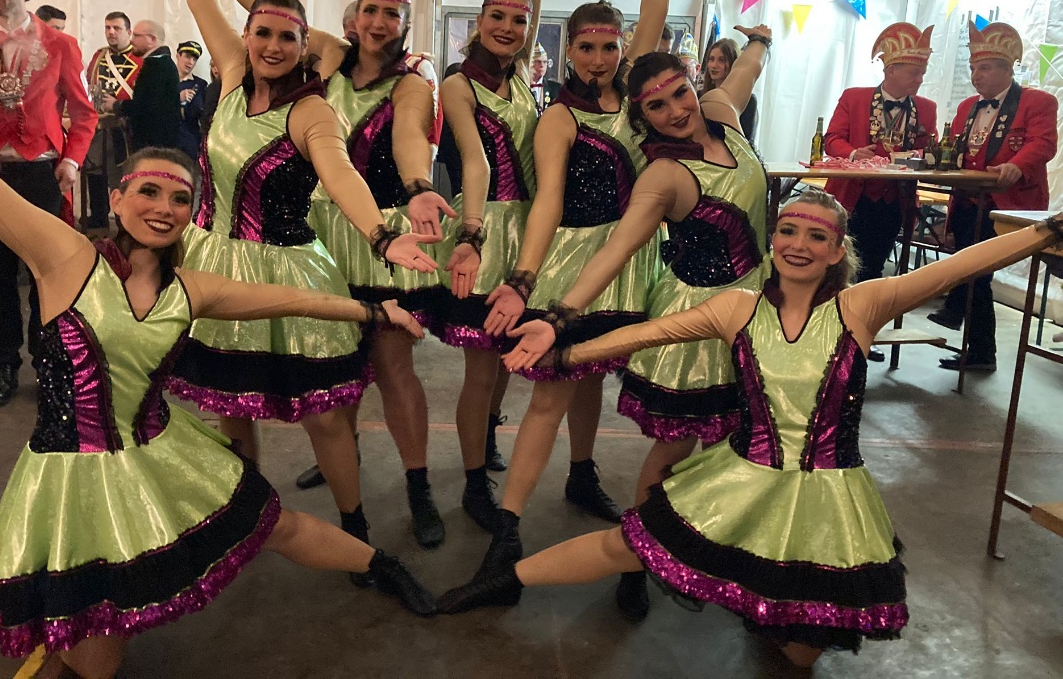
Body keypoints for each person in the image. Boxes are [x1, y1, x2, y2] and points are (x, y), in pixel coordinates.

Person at [0, 103, 437, 677]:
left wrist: (374, 312)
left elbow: (295, 300)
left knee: (276, 524)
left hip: (161, 454)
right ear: (116, 199)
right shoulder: (62, 256)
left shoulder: (190, 288)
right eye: (148, 192)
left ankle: (383, 565)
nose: (164, 208)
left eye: (180, 199)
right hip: (70, 481)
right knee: (97, 659)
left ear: (191, 213)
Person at [440, 188, 1063, 670]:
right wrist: (562, 347)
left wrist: (1047, 230)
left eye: (816, 236)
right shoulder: (737, 309)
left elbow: (956, 268)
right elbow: (646, 334)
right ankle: (502, 580)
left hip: (827, 500)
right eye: (787, 230)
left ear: (837, 251)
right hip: (741, 478)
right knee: (625, 545)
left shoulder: (861, 305)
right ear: (772, 241)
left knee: (801, 655)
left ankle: (766, 612)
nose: (798, 244)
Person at [155, 0, 441, 563]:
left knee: (331, 408)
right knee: (231, 404)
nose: (274, 45)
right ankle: (246, 513)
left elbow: (341, 174)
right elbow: (205, 1)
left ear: (305, 45)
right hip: (217, 262)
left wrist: (387, 230)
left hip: (298, 258)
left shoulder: (320, 106)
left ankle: (366, 522)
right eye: (263, 32)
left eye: (288, 36)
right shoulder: (234, 72)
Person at [503, 28, 772, 619]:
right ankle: (641, 557)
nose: (675, 111)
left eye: (680, 93)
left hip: (759, 308)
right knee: (677, 442)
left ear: (694, 85)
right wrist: (558, 316)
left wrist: (759, 42)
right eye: (656, 106)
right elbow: (616, 250)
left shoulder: (724, 114)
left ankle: (709, 547)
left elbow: (745, 73)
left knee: (738, 441)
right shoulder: (663, 175)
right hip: (697, 317)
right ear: (641, 117)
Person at [465, 0, 672, 579]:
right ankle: (508, 525)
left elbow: (655, 18)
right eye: (586, 47)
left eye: (610, 47)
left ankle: (582, 473)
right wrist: (525, 278)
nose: (600, 58)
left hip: (632, 262)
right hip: (577, 262)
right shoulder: (558, 116)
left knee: (594, 378)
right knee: (552, 391)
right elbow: (548, 203)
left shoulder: (636, 99)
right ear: (567, 49)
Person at [431, 0, 544, 534]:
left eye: (519, 19)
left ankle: (490, 436)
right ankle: (474, 479)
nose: (508, 27)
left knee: (507, 359)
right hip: (488, 221)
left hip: (532, 226)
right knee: (480, 367)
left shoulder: (522, 75)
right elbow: (473, 163)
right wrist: (470, 236)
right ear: (478, 22)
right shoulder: (458, 83)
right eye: (497, 17)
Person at [0, 0, 99, 408]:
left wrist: (72, 160)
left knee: (46, 272)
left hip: (41, 171)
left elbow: (84, 113)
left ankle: (47, 363)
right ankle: (3, 365)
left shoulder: (60, 44)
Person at [928, 21, 1058, 372]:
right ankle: (980, 350)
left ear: (1007, 69)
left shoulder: (1038, 101)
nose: (975, 75)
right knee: (973, 271)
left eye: (984, 68)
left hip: (1007, 203)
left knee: (977, 271)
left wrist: (1017, 165)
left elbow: (1043, 143)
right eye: (973, 68)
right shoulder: (966, 106)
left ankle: (961, 318)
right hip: (969, 201)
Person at [825, 23, 937, 298]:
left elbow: (929, 149)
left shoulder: (926, 108)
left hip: (895, 199)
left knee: (874, 268)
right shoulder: (854, 97)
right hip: (852, 197)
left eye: (923, 73)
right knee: (836, 267)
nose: (920, 79)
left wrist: (917, 156)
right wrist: (854, 153)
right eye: (914, 72)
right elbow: (832, 140)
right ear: (891, 70)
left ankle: (864, 319)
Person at [85, 12, 144, 230]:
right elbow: (89, 83)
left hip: (124, 129)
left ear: (128, 32)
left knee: (120, 178)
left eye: (116, 28)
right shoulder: (99, 56)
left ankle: (123, 224)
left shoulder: (140, 60)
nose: (111, 32)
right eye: (107, 28)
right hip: (98, 125)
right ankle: (98, 218)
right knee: (94, 173)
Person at [117, 19, 181, 150]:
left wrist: (117, 105)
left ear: (152, 39)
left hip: (153, 144)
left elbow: (147, 106)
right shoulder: (159, 63)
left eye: (136, 36)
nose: (131, 40)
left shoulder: (157, 66)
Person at [701, 37, 759, 142]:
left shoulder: (749, 101)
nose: (714, 65)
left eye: (721, 60)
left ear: (733, 63)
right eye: (711, 59)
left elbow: (745, 141)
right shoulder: (700, 96)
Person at [175, 39, 207, 159]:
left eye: (194, 59)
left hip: (189, 143)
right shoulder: (164, 81)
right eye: (187, 57)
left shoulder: (200, 85)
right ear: (178, 56)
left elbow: (199, 113)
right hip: (164, 140)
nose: (190, 62)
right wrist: (177, 98)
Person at [528, 42, 560, 110]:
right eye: (538, 62)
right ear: (530, 63)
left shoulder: (555, 88)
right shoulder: (521, 85)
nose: (542, 65)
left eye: (545, 62)